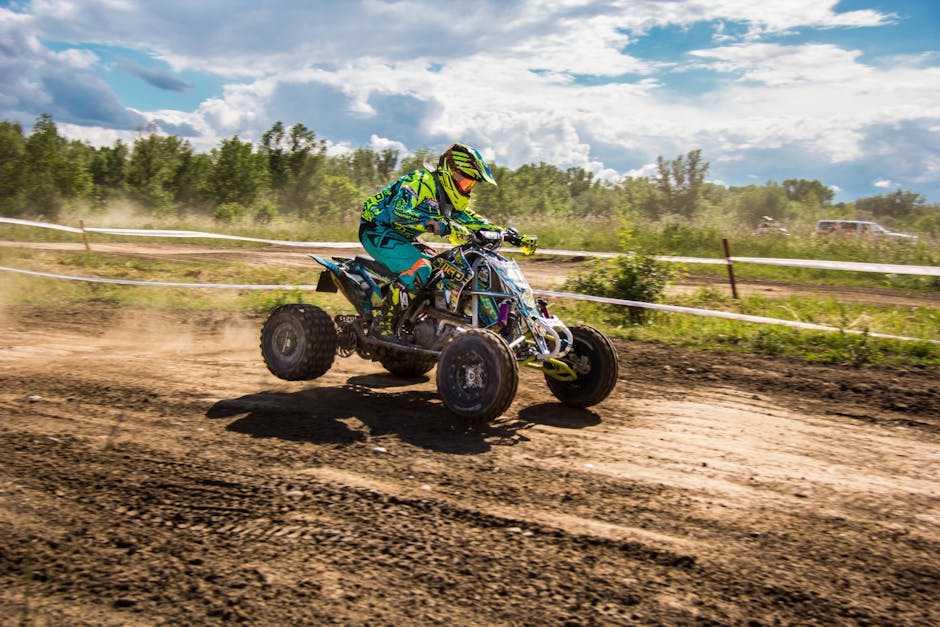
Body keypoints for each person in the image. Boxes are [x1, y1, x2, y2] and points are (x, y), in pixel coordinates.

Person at [359, 143, 533, 300]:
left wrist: (507, 235)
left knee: (445, 269)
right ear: (450, 172)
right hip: (377, 230)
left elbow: (470, 219)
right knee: (422, 269)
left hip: (404, 237)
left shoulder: (446, 197)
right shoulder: (421, 181)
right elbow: (398, 212)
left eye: (471, 185)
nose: (468, 188)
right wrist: (441, 225)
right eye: (465, 182)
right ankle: (385, 324)